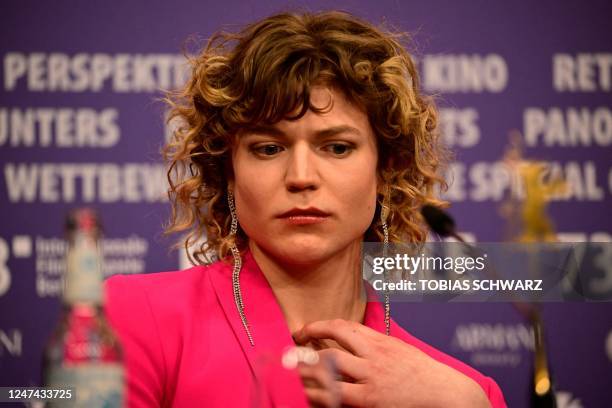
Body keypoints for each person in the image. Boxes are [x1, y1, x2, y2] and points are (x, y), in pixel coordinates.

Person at [104, 10, 506, 407]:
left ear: (386, 170)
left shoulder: (465, 393)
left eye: (336, 147)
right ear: (229, 172)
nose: (301, 176)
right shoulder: (135, 318)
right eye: (269, 148)